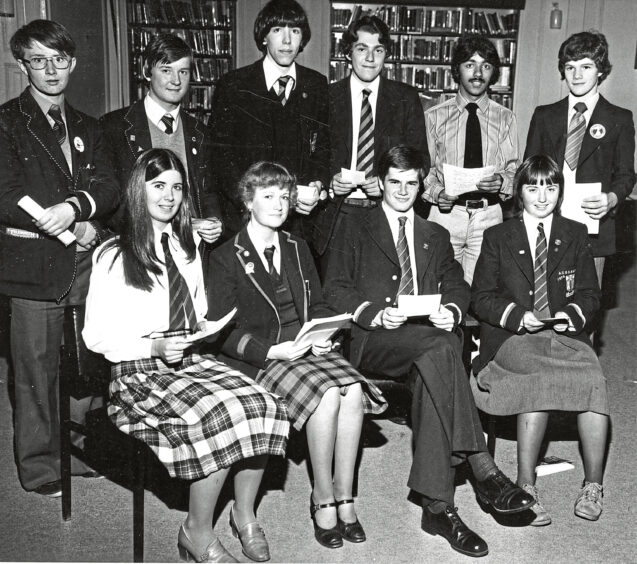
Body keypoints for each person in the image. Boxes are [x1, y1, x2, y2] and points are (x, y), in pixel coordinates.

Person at [323, 145, 534, 558]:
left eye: (412, 183)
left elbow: (456, 284)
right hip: (375, 339)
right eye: (394, 182)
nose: (403, 191)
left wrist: (452, 310)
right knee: (441, 350)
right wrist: (371, 313)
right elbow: (334, 287)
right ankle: (482, 464)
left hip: (426, 343)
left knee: (435, 365)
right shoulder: (354, 226)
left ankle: (438, 508)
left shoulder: (434, 234)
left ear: (422, 186)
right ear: (380, 183)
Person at [83, 148, 289, 563]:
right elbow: (96, 337)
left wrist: (202, 330)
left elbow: (193, 312)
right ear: (138, 191)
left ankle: (244, 514)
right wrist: (154, 346)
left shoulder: (186, 248)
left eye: (177, 187)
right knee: (219, 414)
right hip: (137, 372)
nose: (168, 196)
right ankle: (196, 532)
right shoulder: (113, 255)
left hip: (188, 359)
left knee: (264, 402)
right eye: (158, 186)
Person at [207, 161, 387, 550]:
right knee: (326, 396)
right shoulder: (225, 256)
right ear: (248, 201)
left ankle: (345, 495)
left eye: (284, 197)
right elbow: (221, 332)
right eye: (267, 196)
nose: (278, 204)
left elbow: (319, 305)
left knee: (352, 390)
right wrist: (272, 349)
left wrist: (324, 335)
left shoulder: (297, 246)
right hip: (265, 357)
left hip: (306, 346)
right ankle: (322, 497)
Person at [0, 19, 120, 497]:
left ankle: (79, 450)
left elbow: (108, 186)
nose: (50, 70)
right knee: (36, 371)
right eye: (38, 60)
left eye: (59, 59)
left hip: (87, 263)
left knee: (87, 363)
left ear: (72, 63)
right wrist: (55, 220)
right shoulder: (7, 122)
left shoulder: (90, 126)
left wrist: (80, 212)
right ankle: (41, 467)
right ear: (23, 65)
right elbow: (6, 193)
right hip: (33, 265)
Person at [470, 155, 609, 525]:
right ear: (519, 193)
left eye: (550, 186)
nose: (542, 195)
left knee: (594, 379)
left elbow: (590, 294)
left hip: (564, 333)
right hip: (513, 336)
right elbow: (481, 296)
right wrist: (519, 315)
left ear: (560, 191)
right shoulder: (498, 236)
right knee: (537, 379)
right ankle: (526, 486)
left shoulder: (575, 232)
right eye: (532, 187)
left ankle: (593, 484)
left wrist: (572, 314)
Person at [208, 0, 329, 242]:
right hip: (246, 221)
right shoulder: (235, 85)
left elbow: (324, 149)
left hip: (300, 225)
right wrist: (249, 202)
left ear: (302, 39)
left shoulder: (316, 84)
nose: (287, 41)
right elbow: (219, 158)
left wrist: (318, 186)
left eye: (294, 31)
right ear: (264, 37)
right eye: (277, 30)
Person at [312, 14, 429, 261]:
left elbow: (421, 160)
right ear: (347, 53)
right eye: (362, 48)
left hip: (385, 212)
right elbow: (313, 156)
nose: (370, 58)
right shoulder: (326, 97)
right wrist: (330, 180)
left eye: (378, 50)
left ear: (386, 55)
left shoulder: (405, 98)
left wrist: (388, 182)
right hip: (337, 213)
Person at [525, 30, 635, 287]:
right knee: (544, 299)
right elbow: (529, 169)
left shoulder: (619, 118)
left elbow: (626, 174)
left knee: (585, 305)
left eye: (586, 66)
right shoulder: (544, 115)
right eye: (570, 67)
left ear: (601, 71)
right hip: (547, 219)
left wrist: (612, 198)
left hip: (593, 224)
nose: (576, 75)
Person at [100, 33, 222, 246]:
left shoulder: (200, 131)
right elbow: (111, 201)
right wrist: (178, 226)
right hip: (136, 247)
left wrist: (213, 222)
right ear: (147, 71)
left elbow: (208, 193)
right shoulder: (114, 127)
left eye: (183, 72)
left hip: (190, 250)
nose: (176, 81)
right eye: (166, 70)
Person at [423, 36, 519, 284]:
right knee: (439, 289)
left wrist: (501, 182)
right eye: (470, 64)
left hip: (489, 217)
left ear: (494, 73)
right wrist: (437, 193)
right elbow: (425, 170)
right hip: (445, 215)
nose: (478, 73)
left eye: (486, 66)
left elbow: (513, 171)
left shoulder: (506, 118)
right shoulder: (434, 117)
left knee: (482, 294)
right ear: (457, 70)